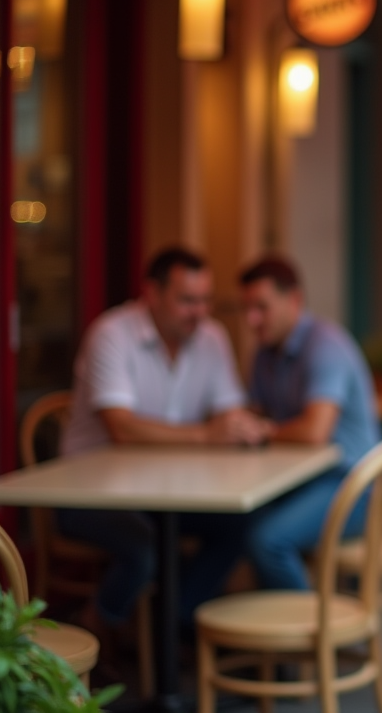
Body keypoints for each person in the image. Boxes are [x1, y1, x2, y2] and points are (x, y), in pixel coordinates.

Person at [58, 247, 268, 646]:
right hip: (89, 493)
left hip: (165, 493)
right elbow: (122, 428)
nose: (200, 311)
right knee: (146, 547)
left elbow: (231, 413)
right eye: (187, 300)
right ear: (152, 293)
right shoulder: (112, 333)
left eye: (206, 299)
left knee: (242, 525)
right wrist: (207, 435)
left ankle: (171, 628)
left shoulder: (211, 338)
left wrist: (239, 427)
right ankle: (93, 631)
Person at [237, 256, 382, 588]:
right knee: (232, 525)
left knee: (267, 541)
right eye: (246, 309)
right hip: (301, 480)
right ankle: (186, 620)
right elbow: (256, 414)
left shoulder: (325, 345)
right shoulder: (263, 354)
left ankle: (313, 638)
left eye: (261, 307)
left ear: (295, 300)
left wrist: (262, 434)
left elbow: (315, 430)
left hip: (352, 485)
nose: (252, 319)